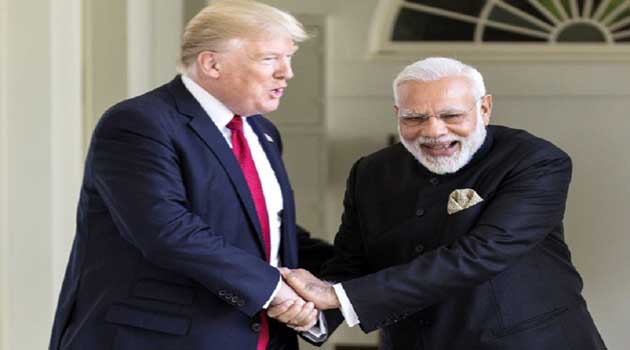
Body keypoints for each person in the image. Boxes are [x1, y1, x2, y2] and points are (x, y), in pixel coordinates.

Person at [48, 1, 332, 349]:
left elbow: (268, 235)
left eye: (289, 58)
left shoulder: (264, 133)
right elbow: (167, 231)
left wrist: (357, 282)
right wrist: (276, 293)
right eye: (270, 58)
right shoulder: (138, 123)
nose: (286, 73)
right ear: (212, 63)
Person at [270, 57, 607, 350]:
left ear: (485, 108)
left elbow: (480, 254)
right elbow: (353, 262)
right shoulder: (370, 171)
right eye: (414, 118)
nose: (434, 131)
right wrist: (316, 312)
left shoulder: (535, 161)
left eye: (451, 115)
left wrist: (339, 297)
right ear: (397, 113)